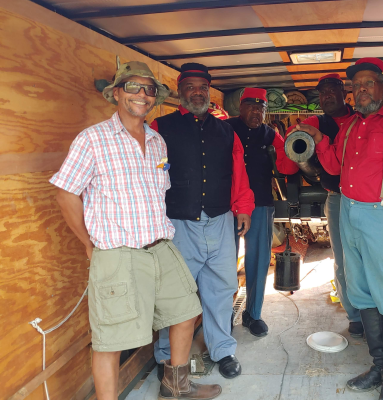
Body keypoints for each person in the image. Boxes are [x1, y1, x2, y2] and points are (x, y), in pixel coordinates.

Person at [51, 61, 221, 400]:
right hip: (118, 252)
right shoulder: (93, 139)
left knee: (186, 313)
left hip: (160, 246)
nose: (141, 95)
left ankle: (176, 386)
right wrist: (88, 244)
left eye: (149, 90)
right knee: (111, 339)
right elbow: (65, 193)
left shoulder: (157, 141)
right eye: (133, 87)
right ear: (116, 93)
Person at [291, 58, 383, 400]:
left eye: (368, 83)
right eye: (356, 86)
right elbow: (335, 165)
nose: (361, 90)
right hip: (350, 214)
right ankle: (379, 365)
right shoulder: (350, 127)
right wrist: (317, 137)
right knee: (361, 291)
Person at [150, 63, 255, 381]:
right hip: (179, 222)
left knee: (221, 288)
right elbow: (148, 175)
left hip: (221, 220)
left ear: (209, 92)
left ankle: (222, 350)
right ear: (179, 91)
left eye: (203, 87)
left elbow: (238, 171)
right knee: (174, 293)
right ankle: (166, 357)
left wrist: (244, 207)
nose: (197, 92)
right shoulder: (159, 126)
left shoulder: (226, 129)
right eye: (190, 87)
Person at [284, 73, 363, 338]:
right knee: (342, 261)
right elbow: (294, 136)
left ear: (345, 94)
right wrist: (297, 133)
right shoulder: (317, 122)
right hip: (337, 197)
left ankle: (374, 312)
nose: (327, 96)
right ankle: (355, 316)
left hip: (367, 199)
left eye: (332, 91)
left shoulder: (360, 119)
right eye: (322, 93)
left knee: (369, 259)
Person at [225, 88, 297, 337]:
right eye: (252, 107)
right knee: (224, 262)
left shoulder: (270, 134)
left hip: (260, 204)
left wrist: (287, 147)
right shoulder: (225, 127)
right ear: (241, 108)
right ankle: (222, 314)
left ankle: (253, 314)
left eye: (262, 109)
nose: (257, 112)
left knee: (258, 260)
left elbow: (287, 165)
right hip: (227, 205)